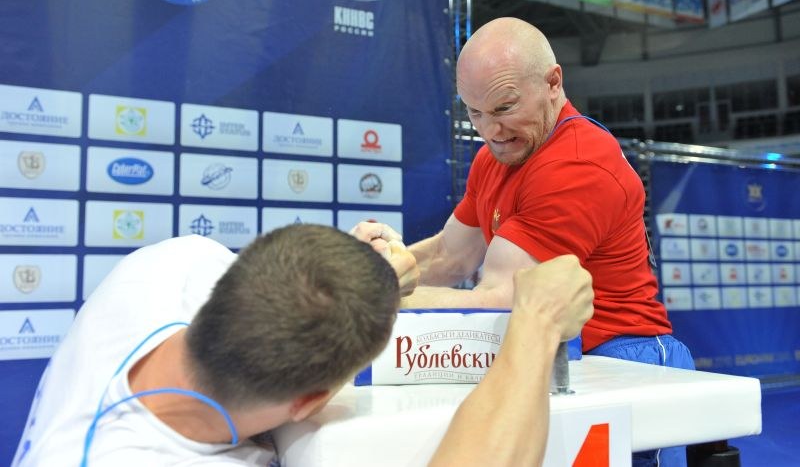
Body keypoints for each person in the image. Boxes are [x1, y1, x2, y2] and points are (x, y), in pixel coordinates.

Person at [13, 222, 593, 466]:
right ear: (308, 402)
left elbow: (290, 288)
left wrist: (376, 276)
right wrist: (536, 322)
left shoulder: (166, 268)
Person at [398, 17, 694, 466]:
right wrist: (373, 269)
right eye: (474, 113)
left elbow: (501, 299)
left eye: (504, 108)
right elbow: (449, 254)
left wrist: (367, 301)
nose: (490, 130)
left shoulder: (577, 163)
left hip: (621, 354)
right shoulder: (494, 156)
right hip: (563, 350)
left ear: (553, 83)